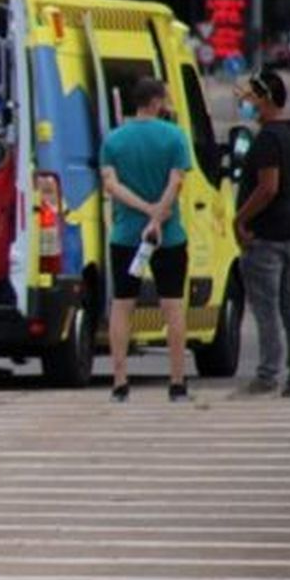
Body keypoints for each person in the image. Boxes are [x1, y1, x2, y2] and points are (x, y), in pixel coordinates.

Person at [99, 77, 192, 403]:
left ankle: (120, 382)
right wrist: (157, 216)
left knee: (122, 305)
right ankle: (177, 383)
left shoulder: (113, 140)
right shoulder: (175, 137)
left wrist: (142, 210)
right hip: (169, 235)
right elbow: (176, 181)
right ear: (155, 102)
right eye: (164, 99)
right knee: (173, 305)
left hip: (125, 234)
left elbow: (111, 185)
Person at [234, 71, 290, 398]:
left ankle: (267, 375)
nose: (244, 103)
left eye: (249, 97)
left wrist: (240, 219)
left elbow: (268, 188)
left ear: (265, 98)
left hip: (265, 236)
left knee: (266, 309)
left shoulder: (267, 139)